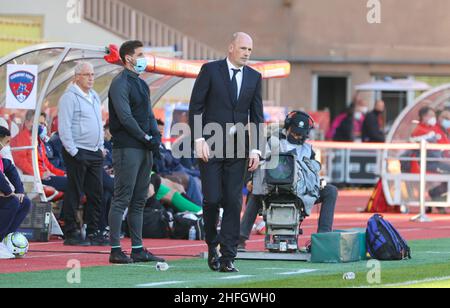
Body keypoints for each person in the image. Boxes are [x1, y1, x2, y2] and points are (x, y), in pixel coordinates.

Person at [188, 32, 264, 273]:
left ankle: (228, 255)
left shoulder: (254, 77)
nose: (246, 53)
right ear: (231, 47)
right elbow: (196, 106)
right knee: (211, 199)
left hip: (239, 150)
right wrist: (198, 138)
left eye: (250, 50)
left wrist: (256, 149)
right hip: (210, 146)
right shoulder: (210, 71)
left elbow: (257, 116)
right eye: (243, 48)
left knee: (232, 201)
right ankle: (212, 244)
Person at [239, 111, 338, 250]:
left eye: (301, 134)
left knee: (331, 191)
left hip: (300, 191)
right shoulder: (272, 142)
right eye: (295, 132)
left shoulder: (309, 150)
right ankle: (240, 239)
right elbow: (255, 163)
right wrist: (249, 180)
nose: (297, 136)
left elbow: (313, 172)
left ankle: (323, 237)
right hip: (271, 189)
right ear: (288, 127)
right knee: (255, 190)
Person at [108, 40, 164, 264]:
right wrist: (145, 136)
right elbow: (125, 117)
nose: (144, 58)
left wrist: (155, 137)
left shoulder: (141, 84)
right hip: (127, 147)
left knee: (139, 199)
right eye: (140, 54)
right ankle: (114, 249)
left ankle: (138, 248)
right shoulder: (120, 83)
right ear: (128, 58)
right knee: (122, 197)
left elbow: (149, 114)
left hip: (144, 148)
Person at [58, 62, 108, 246]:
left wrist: (101, 146)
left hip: (94, 151)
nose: (91, 78)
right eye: (87, 74)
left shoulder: (94, 96)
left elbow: (98, 123)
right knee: (75, 191)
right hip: (78, 151)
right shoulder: (69, 98)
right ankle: (71, 231)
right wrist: (73, 151)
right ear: (77, 76)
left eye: (93, 74)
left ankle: (93, 231)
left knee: (96, 193)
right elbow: (64, 127)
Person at [11, 110, 68, 192]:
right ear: (27, 122)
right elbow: (20, 161)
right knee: (71, 183)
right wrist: (40, 175)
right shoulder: (21, 138)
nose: (40, 126)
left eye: (42, 124)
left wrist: (62, 174)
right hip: (35, 178)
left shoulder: (38, 141)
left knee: (74, 180)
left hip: (45, 175)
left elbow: (47, 164)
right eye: (38, 123)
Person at [0, 127, 31, 259]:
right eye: (6, 142)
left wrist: (20, 191)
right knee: (12, 201)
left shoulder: (1, 158)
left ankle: (4, 239)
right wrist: (8, 192)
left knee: (24, 202)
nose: (7, 146)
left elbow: (11, 170)